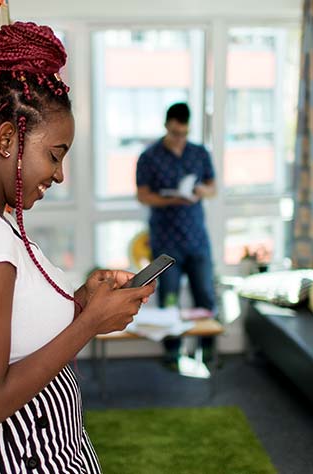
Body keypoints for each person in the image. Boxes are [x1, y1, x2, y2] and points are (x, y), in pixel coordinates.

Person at [0, 22, 155, 473]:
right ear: (7, 140)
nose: (59, 175)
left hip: (42, 452)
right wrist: (89, 325)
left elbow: (19, 324)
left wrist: (82, 302)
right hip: (21, 458)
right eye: (55, 154)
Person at [135, 102, 217, 368]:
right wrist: (169, 199)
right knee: (168, 297)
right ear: (166, 126)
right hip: (166, 241)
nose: (179, 137)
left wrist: (199, 192)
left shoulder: (199, 153)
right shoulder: (149, 156)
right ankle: (172, 353)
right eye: (174, 133)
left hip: (196, 238)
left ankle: (208, 351)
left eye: (183, 133)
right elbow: (143, 195)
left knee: (204, 294)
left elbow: (212, 186)